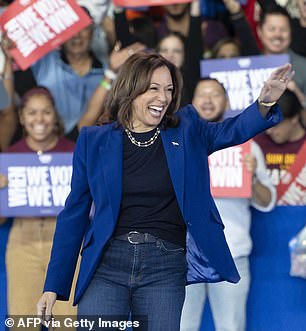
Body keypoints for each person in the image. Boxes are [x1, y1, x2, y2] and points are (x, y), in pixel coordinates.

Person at [37, 52, 293, 330]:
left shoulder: (187, 130)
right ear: (131, 89)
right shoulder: (93, 141)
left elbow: (233, 130)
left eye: (169, 90)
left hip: (164, 266)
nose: (163, 98)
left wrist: (265, 102)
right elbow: (73, 215)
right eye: (154, 88)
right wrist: (54, 285)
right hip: (106, 266)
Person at [180, 78, 276, 331]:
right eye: (202, 94)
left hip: (231, 252)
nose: (208, 100)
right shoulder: (177, 145)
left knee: (231, 326)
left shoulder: (247, 147)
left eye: (215, 94)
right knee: (180, 326)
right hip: (184, 253)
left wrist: (253, 178)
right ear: (191, 103)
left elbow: (268, 202)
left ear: (227, 101)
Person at [0, 87, 77, 323]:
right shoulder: (10, 157)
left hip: (67, 243)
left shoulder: (74, 152)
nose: (39, 119)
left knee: (68, 325)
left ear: (55, 115)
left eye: (45, 112)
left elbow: (90, 208)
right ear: (22, 118)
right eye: (32, 113)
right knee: (24, 323)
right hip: (23, 242)